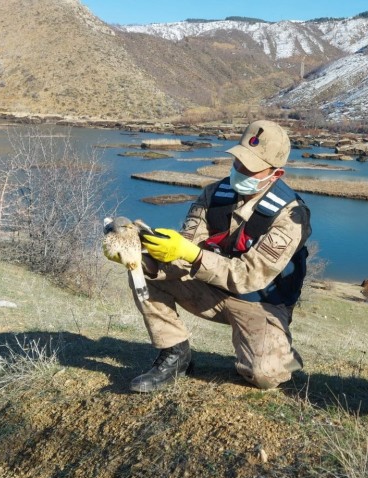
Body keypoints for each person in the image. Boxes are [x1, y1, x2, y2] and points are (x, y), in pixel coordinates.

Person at [119, 120, 311, 393]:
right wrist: (138, 253)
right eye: (238, 162)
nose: (239, 171)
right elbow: (184, 248)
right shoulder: (213, 194)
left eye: (251, 168)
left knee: (266, 375)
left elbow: (249, 277)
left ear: (276, 173)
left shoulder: (291, 215)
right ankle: (175, 356)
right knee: (144, 271)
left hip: (261, 302)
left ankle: (288, 359)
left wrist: (193, 254)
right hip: (211, 287)